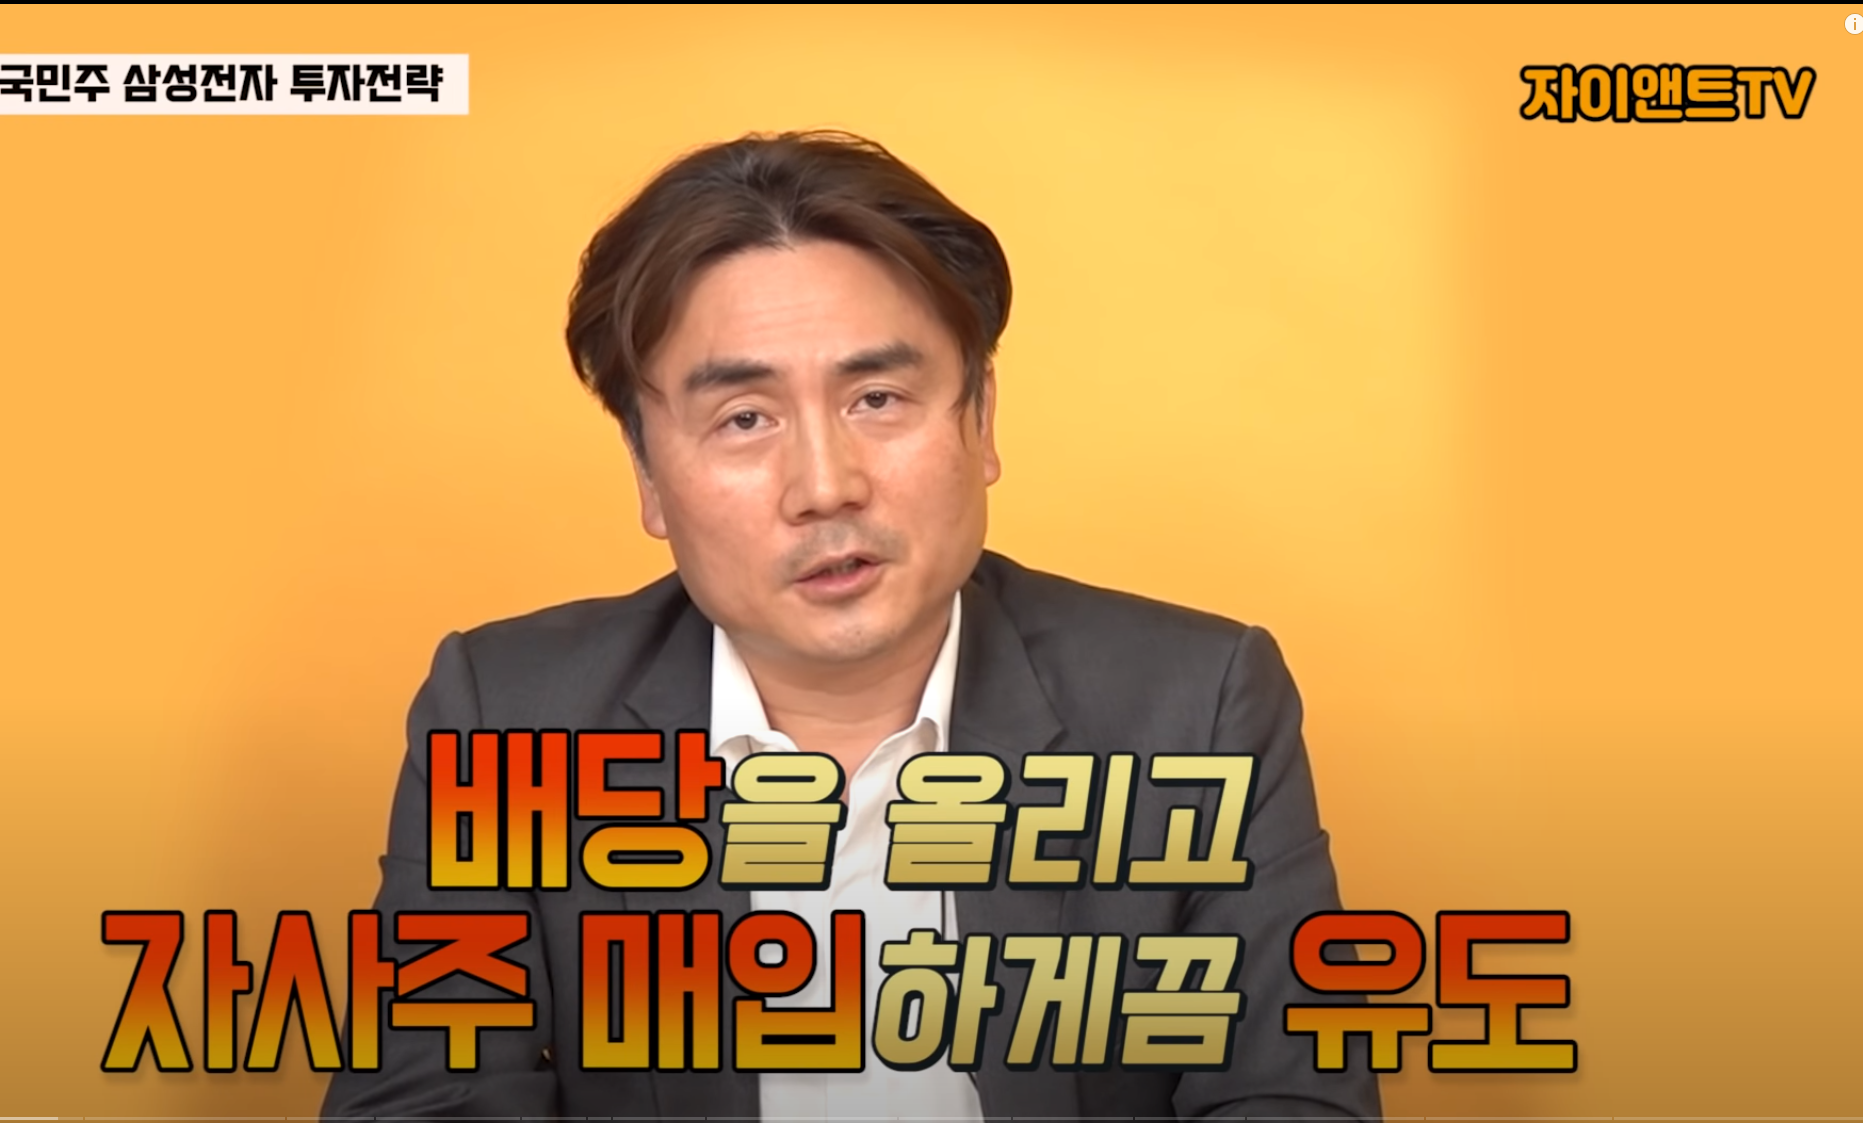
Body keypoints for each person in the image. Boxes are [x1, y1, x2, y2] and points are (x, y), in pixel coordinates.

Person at [322, 130, 1379, 1120]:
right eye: (744, 418)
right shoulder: (508, 719)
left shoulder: (1195, 706)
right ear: (647, 475)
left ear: (980, 420)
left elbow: (1288, 1099)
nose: (825, 486)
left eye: (876, 398)